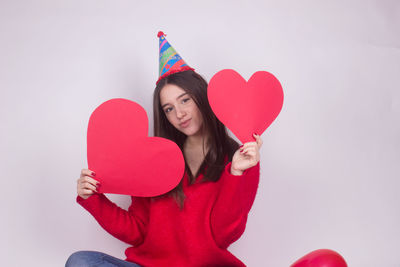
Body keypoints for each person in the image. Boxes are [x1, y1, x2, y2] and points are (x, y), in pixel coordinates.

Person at [66, 32, 262, 267]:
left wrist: (236, 174)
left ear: (201, 97)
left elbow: (224, 235)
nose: (179, 114)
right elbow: (138, 230)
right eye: (168, 109)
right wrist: (93, 198)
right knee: (81, 262)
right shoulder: (151, 160)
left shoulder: (238, 158)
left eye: (185, 100)